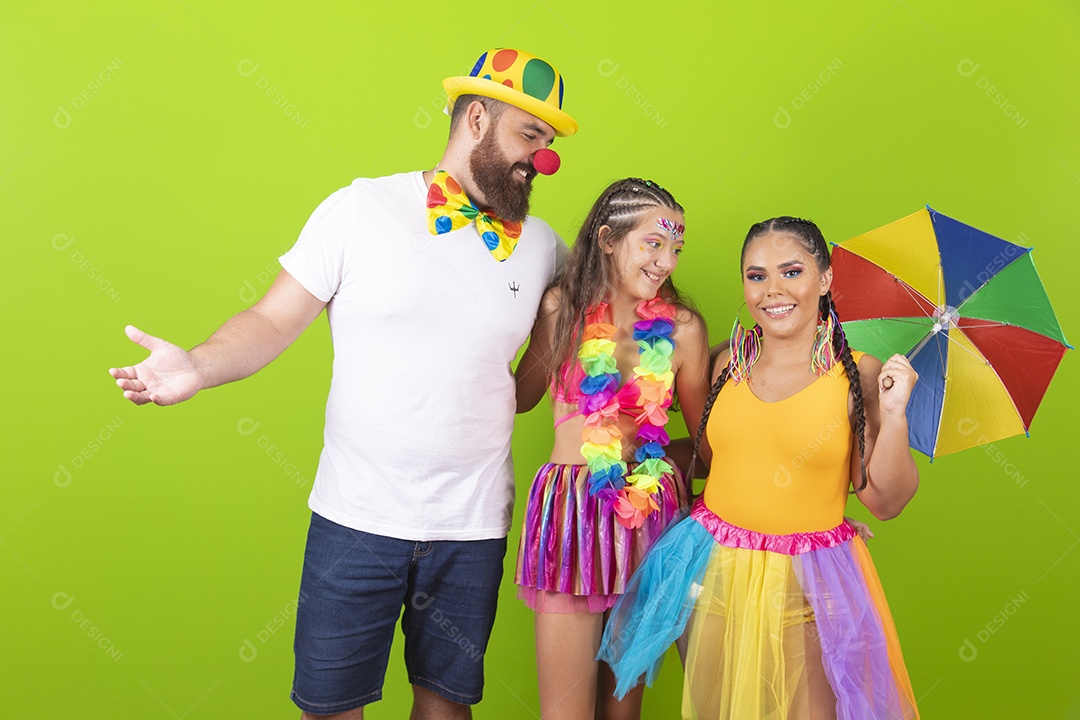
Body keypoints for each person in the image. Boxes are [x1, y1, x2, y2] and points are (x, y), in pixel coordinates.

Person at [109, 48, 577, 719]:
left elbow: (521, 392)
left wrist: (555, 331)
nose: (541, 158)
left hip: (473, 523)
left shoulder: (542, 247)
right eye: (530, 136)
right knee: (330, 707)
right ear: (476, 119)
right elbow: (271, 319)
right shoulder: (360, 209)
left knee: (447, 706)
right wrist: (199, 365)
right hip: (356, 518)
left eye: (550, 143)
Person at [597, 217, 921, 719]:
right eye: (756, 276)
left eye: (792, 272)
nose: (773, 291)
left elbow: (886, 500)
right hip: (712, 567)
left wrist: (896, 414)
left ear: (826, 279)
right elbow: (711, 459)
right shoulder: (728, 365)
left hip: (807, 579)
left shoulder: (859, 373)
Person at [513, 178, 712, 719]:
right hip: (570, 514)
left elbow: (704, 445)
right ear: (606, 238)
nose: (666, 260)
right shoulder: (561, 308)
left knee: (622, 712)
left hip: (649, 516)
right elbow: (518, 396)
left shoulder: (685, 330)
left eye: (676, 247)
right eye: (653, 243)